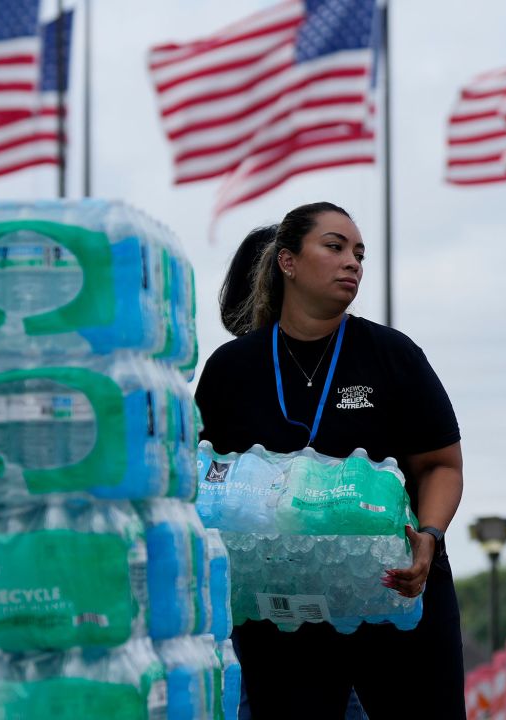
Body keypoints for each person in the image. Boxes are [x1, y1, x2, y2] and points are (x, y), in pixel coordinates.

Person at [196, 201, 465, 718]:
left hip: (395, 594)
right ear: (288, 262)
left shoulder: (392, 354)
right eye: (335, 247)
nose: (353, 263)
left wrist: (428, 536)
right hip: (282, 612)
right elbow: (208, 478)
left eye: (360, 254)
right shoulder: (232, 368)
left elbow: (441, 465)